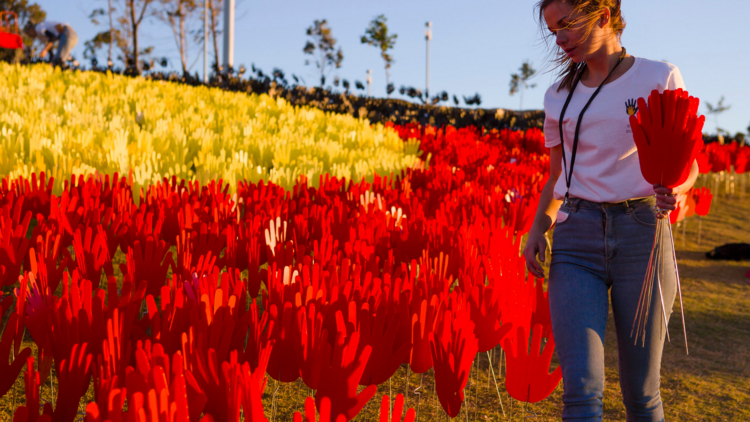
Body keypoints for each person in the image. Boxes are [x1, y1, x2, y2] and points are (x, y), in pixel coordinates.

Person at [522, 0, 698, 421]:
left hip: (643, 237)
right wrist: (536, 231)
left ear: (603, 14)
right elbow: (556, 179)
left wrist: (676, 186)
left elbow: (688, 161)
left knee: (641, 393)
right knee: (580, 391)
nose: (559, 38)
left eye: (566, 24)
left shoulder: (658, 76)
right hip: (575, 239)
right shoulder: (557, 97)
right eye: (552, 30)